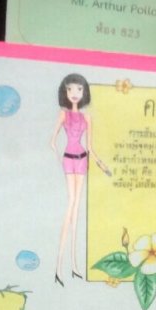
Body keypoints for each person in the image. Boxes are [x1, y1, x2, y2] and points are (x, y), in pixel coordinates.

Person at [49, 73, 107, 286]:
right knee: (71, 203)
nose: (74, 93)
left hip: (82, 160)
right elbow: (52, 141)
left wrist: (100, 164)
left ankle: (73, 263)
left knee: (76, 207)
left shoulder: (87, 118)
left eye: (79, 89)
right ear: (65, 92)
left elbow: (90, 147)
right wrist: (58, 156)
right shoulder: (63, 114)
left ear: (84, 92)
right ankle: (59, 264)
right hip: (69, 160)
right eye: (70, 89)